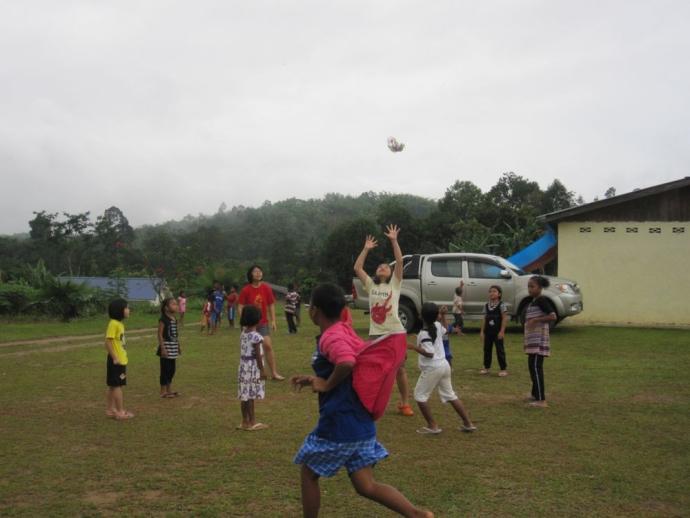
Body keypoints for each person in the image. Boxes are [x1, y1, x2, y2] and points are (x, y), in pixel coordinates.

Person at [291, 283, 432, 518]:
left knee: (308, 473)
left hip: (340, 423)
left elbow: (347, 362)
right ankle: (418, 515)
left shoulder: (331, 336)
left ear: (314, 310)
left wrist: (326, 384)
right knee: (366, 486)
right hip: (361, 423)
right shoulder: (345, 331)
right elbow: (353, 364)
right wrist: (314, 378)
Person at [353, 225, 413, 417]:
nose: (383, 267)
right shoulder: (370, 285)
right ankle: (370, 401)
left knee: (399, 369)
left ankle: (404, 403)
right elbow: (357, 268)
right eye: (380, 266)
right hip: (376, 333)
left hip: (395, 332)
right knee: (373, 368)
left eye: (386, 267)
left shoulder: (395, 284)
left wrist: (394, 240)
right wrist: (366, 249)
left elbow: (399, 261)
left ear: (391, 272)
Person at [408, 302, 476, 435]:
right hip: (444, 365)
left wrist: (413, 347)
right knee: (450, 395)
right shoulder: (437, 326)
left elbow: (429, 353)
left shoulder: (424, 333)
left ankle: (432, 426)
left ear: (421, 316)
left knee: (419, 395)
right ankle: (468, 423)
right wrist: (444, 316)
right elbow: (446, 329)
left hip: (433, 368)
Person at [238, 265, 284, 380]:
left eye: (260, 271)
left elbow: (271, 304)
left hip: (262, 322)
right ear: (250, 274)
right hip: (249, 324)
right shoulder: (246, 290)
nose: (258, 273)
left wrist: (273, 320)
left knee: (267, 345)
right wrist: (244, 321)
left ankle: (274, 373)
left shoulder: (266, 288)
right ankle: (257, 373)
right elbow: (240, 306)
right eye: (255, 271)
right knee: (252, 349)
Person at [524, 276, 557, 408]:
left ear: (540, 288)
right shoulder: (534, 301)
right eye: (529, 286)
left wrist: (536, 320)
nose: (530, 289)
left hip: (539, 342)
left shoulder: (542, 300)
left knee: (536, 368)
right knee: (532, 367)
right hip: (533, 341)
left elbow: (552, 316)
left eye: (532, 286)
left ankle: (541, 400)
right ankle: (535, 394)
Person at [237, 305, 268, 430]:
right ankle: (253, 422)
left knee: (244, 395)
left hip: (243, 366)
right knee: (251, 396)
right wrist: (262, 370)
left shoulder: (243, 333)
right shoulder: (256, 336)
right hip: (252, 367)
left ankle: (244, 421)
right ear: (257, 319)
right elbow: (258, 356)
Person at [104, 298, 134, 420]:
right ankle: (120, 412)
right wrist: (115, 357)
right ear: (119, 310)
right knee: (117, 386)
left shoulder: (119, 324)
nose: (128, 310)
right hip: (116, 361)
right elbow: (107, 342)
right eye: (126, 308)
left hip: (120, 359)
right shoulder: (113, 324)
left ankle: (111, 410)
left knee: (113, 385)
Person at [479, 286, 509, 377]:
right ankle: (486, 367)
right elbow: (484, 318)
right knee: (487, 349)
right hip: (488, 332)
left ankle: (503, 369)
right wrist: (482, 331)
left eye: (494, 291)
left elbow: (504, 318)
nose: (491, 293)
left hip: (497, 332)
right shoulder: (486, 305)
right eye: (490, 291)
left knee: (500, 350)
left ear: (499, 294)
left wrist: (502, 331)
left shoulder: (502, 305)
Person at [158, 297, 181, 398]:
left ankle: (169, 390)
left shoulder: (174, 319)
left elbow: (175, 334)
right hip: (166, 348)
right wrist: (163, 348)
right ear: (166, 308)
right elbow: (159, 334)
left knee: (172, 369)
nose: (176, 306)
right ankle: (163, 392)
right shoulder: (163, 319)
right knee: (165, 370)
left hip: (173, 348)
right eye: (173, 304)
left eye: (176, 304)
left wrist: (178, 346)